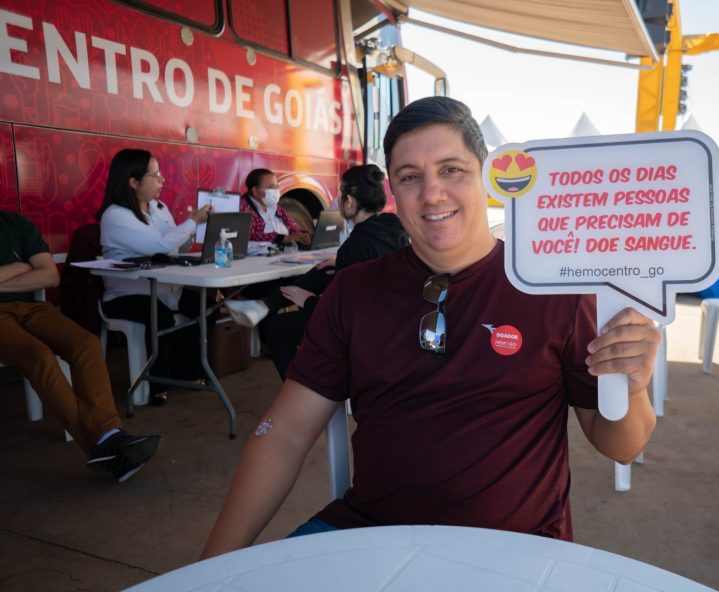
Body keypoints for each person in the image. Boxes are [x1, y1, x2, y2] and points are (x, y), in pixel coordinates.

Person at [201, 97, 659, 559]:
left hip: (514, 552)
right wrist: (210, 570)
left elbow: (622, 445)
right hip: (369, 534)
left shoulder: (553, 288)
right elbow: (284, 433)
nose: (432, 193)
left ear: (485, 174)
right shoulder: (354, 291)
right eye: (410, 177)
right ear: (394, 192)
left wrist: (633, 385)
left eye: (451, 170)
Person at [0, 211, 160, 482]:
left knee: (85, 343)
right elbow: (35, 268)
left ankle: (108, 439)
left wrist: (20, 271)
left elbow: (50, 276)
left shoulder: (15, 224)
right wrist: (22, 267)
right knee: (37, 355)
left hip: (32, 308)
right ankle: (105, 441)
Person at [226, 164, 409, 377]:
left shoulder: (356, 245)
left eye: (341, 196)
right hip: (390, 321)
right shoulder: (392, 227)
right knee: (324, 270)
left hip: (361, 330)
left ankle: (306, 390)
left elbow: (344, 312)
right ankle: (263, 305)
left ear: (349, 201)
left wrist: (308, 301)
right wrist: (340, 262)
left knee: (276, 328)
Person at [96, 148, 213, 406]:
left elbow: (175, 246)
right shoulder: (115, 215)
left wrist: (197, 228)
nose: (161, 181)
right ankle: (157, 384)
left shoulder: (158, 207)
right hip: (127, 294)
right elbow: (158, 245)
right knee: (158, 314)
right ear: (133, 182)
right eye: (155, 175)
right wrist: (192, 222)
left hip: (164, 287)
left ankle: (190, 373)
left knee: (202, 304)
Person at [240, 168, 311, 247]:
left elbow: (292, 226)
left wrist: (302, 234)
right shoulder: (243, 207)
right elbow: (249, 235)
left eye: (277, 187)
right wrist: (282, 238)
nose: (276, 191)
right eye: (271, 187)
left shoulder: (276, 208)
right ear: (255, 191)